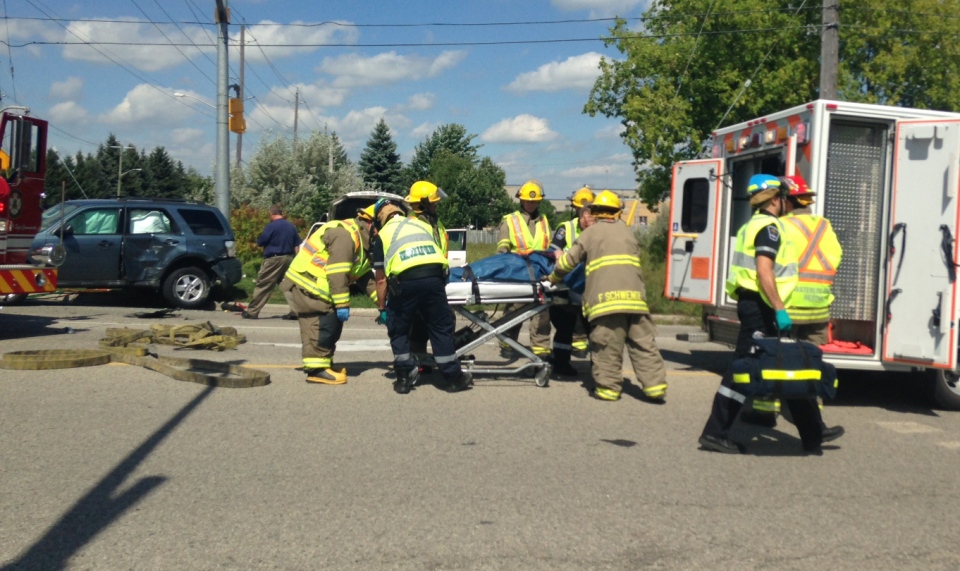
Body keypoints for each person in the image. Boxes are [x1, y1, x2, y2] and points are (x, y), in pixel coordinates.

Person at [698, 174, 841, 454]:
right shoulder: (770, 228)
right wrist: (779, 309)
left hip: (756, 304)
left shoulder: (753, 224)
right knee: (741, 370)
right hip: (761, 307)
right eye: (784, 196)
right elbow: (764, 270)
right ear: (775, 198)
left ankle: (813, 435)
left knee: (792, 366)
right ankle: (715, 433)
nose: (787, 201)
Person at [744, 174, 846, 434]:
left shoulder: (781, 226)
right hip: (818, 308)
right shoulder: (824, 226)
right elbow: (836, 258)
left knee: (777, 362)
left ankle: (765, 413)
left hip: (789, 306)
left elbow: (777, 265)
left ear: (786, 200)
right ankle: (814, 422)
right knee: (810, 366)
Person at [546, 190, 667, 402]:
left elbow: (568, 262)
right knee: (643, 344)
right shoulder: (626, 231)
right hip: (636, 300)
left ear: (596, 212)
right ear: (616, 212)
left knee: (607, 345)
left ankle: (608, 389)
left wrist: (553, 278)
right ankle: (655, 388)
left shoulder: (591, 233)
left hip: (607, 302)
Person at [370, 198, 471, 394]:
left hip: (405, 282)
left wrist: (382, 308)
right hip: (434, 278)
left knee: (398, 329)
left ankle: (403, 378)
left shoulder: (383, 235)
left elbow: (381, 280)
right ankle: (452, 379)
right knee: (440, 328)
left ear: (380, 219)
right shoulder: (419, 224)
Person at [278, 208, 374, 384]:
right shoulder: (345, 236)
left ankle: (324, 364)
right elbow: (338, 272)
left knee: (330, 326)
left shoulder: (360, 240)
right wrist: (342, 304)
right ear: (369, 223)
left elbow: (364, 276)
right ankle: (316, 370)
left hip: (319, 287)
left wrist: (384, 302)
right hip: (310, 287)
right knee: (320, 326)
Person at [496, 179, 553, 358]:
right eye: (528, 200)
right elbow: (503, 250)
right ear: (521, 200)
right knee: (513, 312)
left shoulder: (544, 221)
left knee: (542, 315)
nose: (530, 204)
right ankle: (507, 344)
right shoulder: (510, 220)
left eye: (534, 201)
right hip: (518, 274)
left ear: (539, 201)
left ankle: (541, 350)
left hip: (540, 275)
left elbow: (550, 248)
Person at [547, 186, 594, 377]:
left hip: (589, 286)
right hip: (566, 284)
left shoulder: (598, 230)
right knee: (564, 326)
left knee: (594, 328)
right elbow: (555, 251)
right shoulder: (566, 228)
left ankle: (600, 367)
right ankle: (561, 364)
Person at [404, 181, 450, 371]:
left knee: (439, 323)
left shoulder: (434, 221)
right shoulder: (412, 225)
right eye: (433, 203)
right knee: (419, 326)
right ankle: (420, 361)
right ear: (422, 204)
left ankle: (437, 359)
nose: (436, 206)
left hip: (437, 278)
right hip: (421, 279)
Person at [243, 204, 300, 320]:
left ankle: (252, 311)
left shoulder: (271, 226)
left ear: (271, 214)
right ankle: (297, 311)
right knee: (287, 285)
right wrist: (297, 259)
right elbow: (297, 245)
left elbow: (261, 242)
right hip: (289, 258)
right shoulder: (291, 226)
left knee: (264, 284)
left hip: (274, 259)